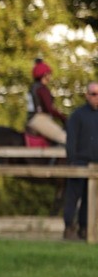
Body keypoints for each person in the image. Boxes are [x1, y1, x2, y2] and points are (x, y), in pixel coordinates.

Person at [63, 81, 98, 241]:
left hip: (95, 165)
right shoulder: (77, 115)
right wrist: (72, 161)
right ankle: (69, 227)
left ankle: (85, 228)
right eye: (93, 94)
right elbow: (71, 141)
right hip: (79, 163)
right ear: (87, 95)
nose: (96, 98)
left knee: (89, 199)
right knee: (73, 197)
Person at [26, 59, 67, 146]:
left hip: (32, 118)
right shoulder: (42, 89)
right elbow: (49, 108)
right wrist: (63, 118)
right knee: (65, 138)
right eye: (49, 74)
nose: (50, 76)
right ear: (44, 74)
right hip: (39, 119)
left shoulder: (33, 87)